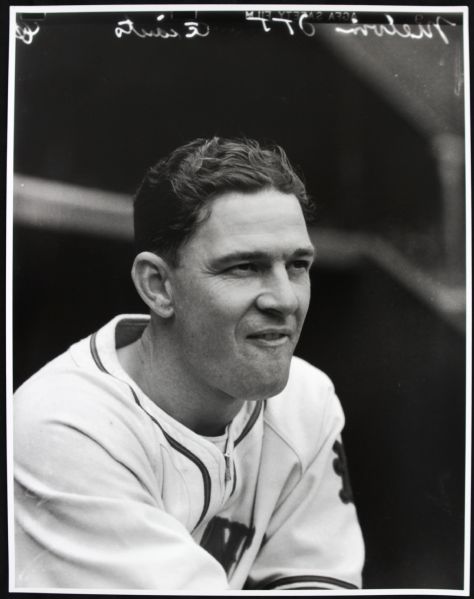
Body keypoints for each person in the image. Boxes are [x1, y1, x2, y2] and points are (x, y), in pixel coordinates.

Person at [14, 137, 365, 591]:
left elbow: (320, 583)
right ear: (158, 285)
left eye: (297, 265)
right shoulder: (65, 428)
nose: (284, 299)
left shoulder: (306, 400)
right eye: (243, 267)